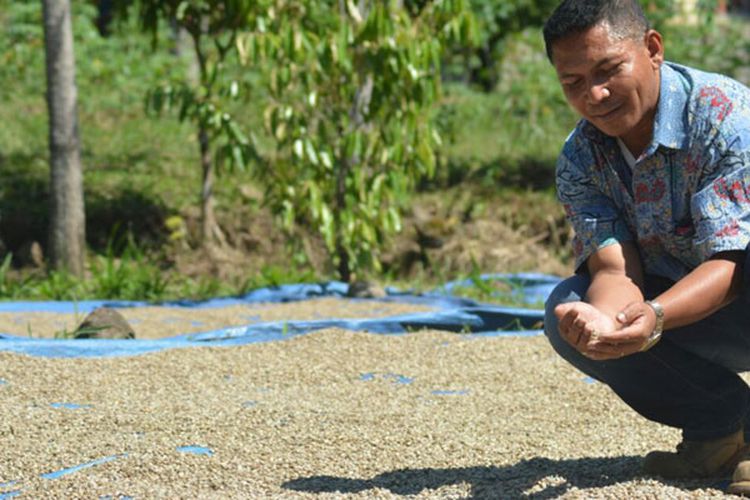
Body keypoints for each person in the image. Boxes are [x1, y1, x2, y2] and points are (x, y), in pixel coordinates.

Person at [542, 0, 750, 495]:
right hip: (688, 308)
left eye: (608, 69)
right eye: (573, 82)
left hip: (737, 288)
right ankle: (721, 430)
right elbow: (615, 270)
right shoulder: (580, 157)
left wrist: (654, 316)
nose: (594, 94)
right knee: (566, 308)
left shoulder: (727, 116)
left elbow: (735, 263)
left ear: (652, 49)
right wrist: (605, 322)